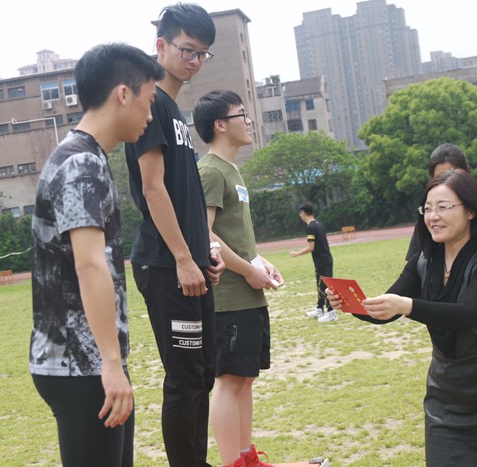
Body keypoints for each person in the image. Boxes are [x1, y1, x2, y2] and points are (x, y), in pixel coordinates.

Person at [329, 169, 477, 465]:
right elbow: (386, 310)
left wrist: (407, 305)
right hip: (444, 396)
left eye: (444, 207)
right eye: (428, 208)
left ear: (471, 210)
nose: (433, 216)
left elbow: (468, 313)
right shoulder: (423, 261)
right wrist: (352, 304)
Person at [29, 43, 164, 467]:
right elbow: (89, 265)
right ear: (123, 94)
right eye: (149, 100)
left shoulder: (86, 157)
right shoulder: (81, 164)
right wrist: (109, 363)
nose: (150, 114)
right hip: (81, 365)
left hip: (87, 363)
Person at [124, 4, 223, 466]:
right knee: (185, 377)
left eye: (203, 53)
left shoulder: (177, 112)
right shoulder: (151, 106)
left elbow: (184, 198)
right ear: (160, 45)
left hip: (189, 261)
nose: (195, 61)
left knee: (203, 373)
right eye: (187, 49)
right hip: (165, 264)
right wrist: (184, 258)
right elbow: (151, 187)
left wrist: (204, 253)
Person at [195, 90, 284, 467]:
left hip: (248, 296)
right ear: (220, 125)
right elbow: (205, 233)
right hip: (228, 298)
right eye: (241, 115)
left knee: (245, 379)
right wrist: (248, 271)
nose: (248, 121)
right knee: (229, 381)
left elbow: (234, 235)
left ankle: (247, 457)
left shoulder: (233, 170)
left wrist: (259, 262)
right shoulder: (211, 170)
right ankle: (233, 462)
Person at [404, 143, 477, 281]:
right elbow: (413, 273)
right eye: (439, 178)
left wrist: (473, 281)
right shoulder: (429, 219)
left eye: (453, 175)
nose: (446, 183)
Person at [290, 203, 336, 322]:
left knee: (324, 286)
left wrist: (297, 253)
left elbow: (311, 247)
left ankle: (331, 312)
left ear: (303, 213)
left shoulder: (310, 228)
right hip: (326, 260)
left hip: (322, 261)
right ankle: (320, 309)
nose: (300, 216)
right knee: (321, 285)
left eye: (301, 213)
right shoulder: (319, 224)